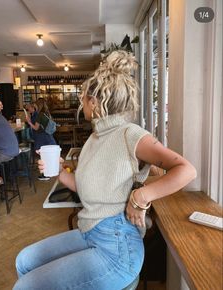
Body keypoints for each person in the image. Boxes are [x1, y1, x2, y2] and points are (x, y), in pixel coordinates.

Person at [13, 50, 197, 290]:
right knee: (24, 261)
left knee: (24, 287)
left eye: (82, 97)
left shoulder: (129, 134)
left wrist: (141, 196)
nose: (80, 102)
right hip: (89, 232)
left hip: (118, 248)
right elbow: (86, 188)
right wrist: (59, 172)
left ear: (94, 101)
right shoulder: (95, 137)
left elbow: (186, 169)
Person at [25, 98, 56, 180]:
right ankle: (48, 172)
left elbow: (36, 128)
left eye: (35, 104)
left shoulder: (40, 115)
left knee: (43, 156)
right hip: (48, 136)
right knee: (46, 155)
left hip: (41, 137)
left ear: (38, 105)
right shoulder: (47, 113)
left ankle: (45, 174)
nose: (34, 106)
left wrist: (29, 122)